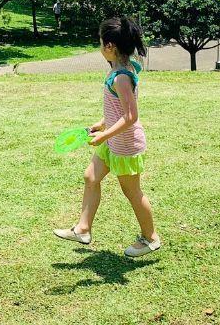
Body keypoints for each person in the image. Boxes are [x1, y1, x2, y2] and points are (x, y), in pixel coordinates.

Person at [53, 15, 160, 258]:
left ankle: (151, 238)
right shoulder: (121, 69)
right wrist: (102, 124)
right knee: (91, 177)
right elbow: (119, 109)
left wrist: (104, 135)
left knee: (133, 192)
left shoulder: (121, 76)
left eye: (101, 42)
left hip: (124, 145)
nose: (100, 47)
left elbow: (131, 116)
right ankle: (83, 229)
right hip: (113, 140)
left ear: (110, 46)